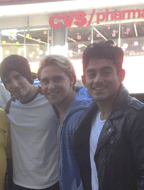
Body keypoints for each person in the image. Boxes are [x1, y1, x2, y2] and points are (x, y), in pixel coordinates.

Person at [72, 40, 144, 190]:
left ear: (121, 75)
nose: (98, 80)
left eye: (106, 72)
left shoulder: (140, 117)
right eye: (92, 74)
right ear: (84, 80)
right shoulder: (86, 117)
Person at [0, 55, 60, 190]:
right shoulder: (10, 108)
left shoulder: (51, 100)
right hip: (19, 183)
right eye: (8, 81)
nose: (14, 84)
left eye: (18, 76)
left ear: (27, 75)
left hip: (52, 182)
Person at [37, 55, 93, 190]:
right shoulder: (59, 108)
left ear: (72, 79)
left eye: (57, 79)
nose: (51, 86)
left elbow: (91, 170)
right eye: (45, 81)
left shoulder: (82, 117)